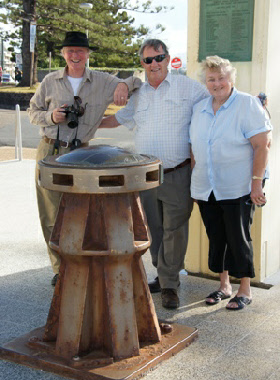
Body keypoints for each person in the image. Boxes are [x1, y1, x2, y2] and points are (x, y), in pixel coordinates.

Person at [99, 39, 209, 309]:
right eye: (148, 60)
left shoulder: (188, 88)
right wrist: (85, 127)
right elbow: (118, 119)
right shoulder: (139, 94)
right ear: (142, 64)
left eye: (158, 58)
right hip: (145, 176)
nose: (154, 64)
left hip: (177, 173)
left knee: (175, 229)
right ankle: (162, 275)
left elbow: (214, 102)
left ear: (168, 58)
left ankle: (170, 283)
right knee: (153, 230)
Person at [28, 31, 141, 286]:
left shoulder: (102, 81)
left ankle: (83, 262)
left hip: (82, 154)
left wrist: (123, 84)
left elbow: (138, 82)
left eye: (80, 51)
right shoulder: (50, 81)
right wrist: (50, 117)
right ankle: (60, 268)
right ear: (63, 54)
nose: (75, 55)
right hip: (51, 150)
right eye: (70, 51)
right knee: (51, 212)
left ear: (88, 54)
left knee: (84, 211)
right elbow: (32, 112)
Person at [189, 56, 272, 310]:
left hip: (238, 186)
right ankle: (224, 286)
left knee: (239, 236)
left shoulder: (247, 104)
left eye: (221, 78)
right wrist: (195, 180)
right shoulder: (200, 108)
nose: (217, 83)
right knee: (217, 236)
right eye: (211, 79)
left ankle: (244, 289)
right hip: (207, 186)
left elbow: (262, 146)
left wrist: (256, 183)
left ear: (231, 79)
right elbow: (194, 148)